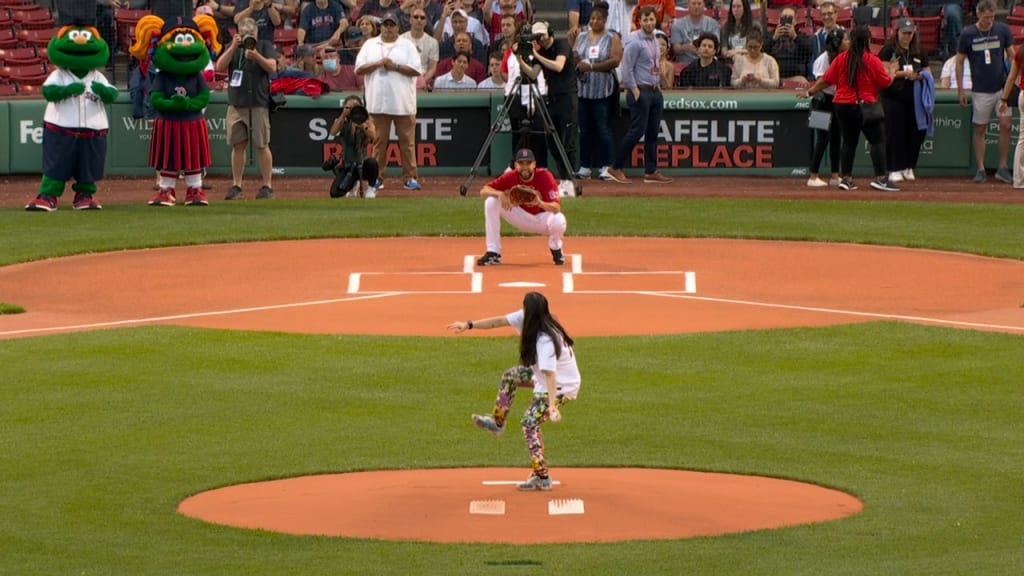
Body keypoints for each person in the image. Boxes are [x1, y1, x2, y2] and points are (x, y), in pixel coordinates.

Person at [448, 290, 581, 492]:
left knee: (529, 424)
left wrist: (553, 406)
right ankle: (497, 423)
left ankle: (541, 476)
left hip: (561, 386)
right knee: (511, 375)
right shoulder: (529, 318)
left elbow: (551, 375)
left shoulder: (546, 340)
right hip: (544, 378)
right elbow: (498, 321)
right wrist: (469, 325)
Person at [25, 23, 118, 212]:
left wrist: (103, 91)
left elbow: (112, 95)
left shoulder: (97, 76)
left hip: (93, 128)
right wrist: (66, 90)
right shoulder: (60, 74)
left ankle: (84, 195)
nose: (82, 41)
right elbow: (48, 91)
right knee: (56, 165)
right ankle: (48, 195)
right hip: (61, 127)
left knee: (88, 167)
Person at [131, 14, 221, 207]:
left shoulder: (197, 76)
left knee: (193, 158)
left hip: (192, 123)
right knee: (168, 158)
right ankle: (166, 190)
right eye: (179, 40)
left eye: (190, 39)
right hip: (168, 123)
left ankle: (195, 189)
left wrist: (187, 105)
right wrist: (173, 104)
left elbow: (204, 97)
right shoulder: (162, 76)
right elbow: (155, 98)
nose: (186, 45)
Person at [801, 25, 898, 192]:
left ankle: (846, 178)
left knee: (848, 142)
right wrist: (893, 72)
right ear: (868, 41)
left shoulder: (841, 58)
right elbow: (885, 82)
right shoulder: (871, 59)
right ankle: (881, 178)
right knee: (877, 141)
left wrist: (810, 91)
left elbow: (826, 80)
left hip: (842, 106)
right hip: (865, 105)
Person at [355, 11, 424, 191]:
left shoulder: (407, 45)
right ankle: (376, 177)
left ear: (397, 27)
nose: (388, 28)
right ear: (381, 27)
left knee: (407, 144)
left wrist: (396, 67)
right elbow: (359, 68)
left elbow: (417, 70)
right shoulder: (370, 44)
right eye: (385, 24)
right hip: (377, 103)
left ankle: (410, 177)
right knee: (378, 143)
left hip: (403, 104)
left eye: (391, 24)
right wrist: (378, 64)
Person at [606, 7, 671, 184]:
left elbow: (653, 63)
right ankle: (616, 166)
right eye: (645, 20)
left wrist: (657, 84)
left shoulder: (656, 39)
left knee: (652, 132)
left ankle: (651, 170)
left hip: (654, 90)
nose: (649, 23)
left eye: (651, 19)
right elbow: (627, 68)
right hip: (640, 91)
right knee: (637, 131)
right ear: (639, 21)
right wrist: (635, 91)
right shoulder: (634, 41)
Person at [216, 16, 278, 200]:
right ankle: (237, 185)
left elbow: (272, 67)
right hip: (236, 103)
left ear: (256, 33)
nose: (248, 37)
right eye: (244, 34)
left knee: (261, 145)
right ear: (238, 33)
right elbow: (219, 66)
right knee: (238, 145)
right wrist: (234, 47)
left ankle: (267, 185)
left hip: (258, 102)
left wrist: (257, 56)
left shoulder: (264, 45)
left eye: (251, 33)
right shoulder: (233, 47)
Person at [475, 148, 567, 266]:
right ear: (515, 165)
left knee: (559, 220)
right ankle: (493, 252)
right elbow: (484, 190)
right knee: (491, 202)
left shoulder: (545, 176)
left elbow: (556, 208)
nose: (525, 167)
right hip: (520, 216)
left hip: (543, 220)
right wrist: (500, 194)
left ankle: (556, 248)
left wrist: (539, 203)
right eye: (521, 163)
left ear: (534, 164)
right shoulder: (511, 176)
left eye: (528, 163)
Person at [955, 0, 1013, 184]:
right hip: (980, 89)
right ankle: (980, 168)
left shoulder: (1002, 30)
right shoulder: (968, 34)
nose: (990, 20)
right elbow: (959, 61)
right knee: (980, 128)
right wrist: (960, 89)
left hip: (1002, 87)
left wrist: (1013, 78)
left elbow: (1012, 55)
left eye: (992, 17)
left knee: (1006, 125)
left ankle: (1002, 167)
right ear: (979, 15)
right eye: (987, 17)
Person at [523, 21, 579, 196]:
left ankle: (570, 181)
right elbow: (533, 74)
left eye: (543, 35)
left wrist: (535, 55)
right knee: (552, 141)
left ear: (550, 33)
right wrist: (520, 58)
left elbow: (558, 65)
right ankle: (563, 179)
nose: (541, 39)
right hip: (552, 98)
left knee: (568, 141)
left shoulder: (561, 44)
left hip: (567, 97)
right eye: (537, 37)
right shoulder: (541, 52)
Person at [573, 0, 621, 181]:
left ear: (605, 20)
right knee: (585, 130)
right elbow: (576, 55)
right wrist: (577, 59)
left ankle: (606, 166)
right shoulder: (582, 36)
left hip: (602, 89)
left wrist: (592, 67)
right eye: (592, 18)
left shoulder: (612, 37)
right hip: (583, 89)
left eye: (598, 19)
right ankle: (585, 166)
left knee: (603, 129)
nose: (594, 22)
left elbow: (615, 60)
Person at [879, 18, 930, 184]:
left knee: (915, 132)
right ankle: (893, 168)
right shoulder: (888, 50)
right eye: (904, 33)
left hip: (914, 98)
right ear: (897, 33)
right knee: (895, 133)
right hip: (893, 97)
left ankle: (909, 166)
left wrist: (920, 75)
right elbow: (885, 72)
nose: (907, 36)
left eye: (910, 33)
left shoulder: (918, 51)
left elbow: (927, 71)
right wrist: (904, 74)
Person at [806, 27, 845, 188]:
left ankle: (835, 175)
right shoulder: (823, 59)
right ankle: (813, 176)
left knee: (836, 138)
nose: (847, 42)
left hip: (835, 101)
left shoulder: (842, 57)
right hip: (820, 101)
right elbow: (822, 82)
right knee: (822, 139)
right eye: (844, 40)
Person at [326, 95, 380, 197]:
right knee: (335, 193)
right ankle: (353, 185)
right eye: (349, 107)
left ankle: (371, 187)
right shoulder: (343, 121)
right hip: (348, 165)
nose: (352, 109)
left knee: (372, 163)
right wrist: (343, 115)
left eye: (355, 106)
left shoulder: (366, 120)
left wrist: (362, 125)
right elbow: (333, 132)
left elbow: (374, 137)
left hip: (362, 164)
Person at [999, 41, 1024, 189]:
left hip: (1022, 95)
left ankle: (1019, 179)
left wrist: (1003, 99)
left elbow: (1011, 77)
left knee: (1022, 139)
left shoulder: (1020, 51)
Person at [765, 6, 811, 85]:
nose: (786, 20)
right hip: (773, 77)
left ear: (795, 21)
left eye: (790, 18)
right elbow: (761, 51)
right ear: (779, 20)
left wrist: (795, 37)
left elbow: (809, 51)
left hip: (795, 76)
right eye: (784, 17)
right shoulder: (770, 35)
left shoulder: (801, 36)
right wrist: (774, 39)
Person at [671, 0, 720, 67]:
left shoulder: (713, 24)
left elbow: (717, 47)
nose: (696, 6)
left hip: (708, 64)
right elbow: (675, 49)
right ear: (688, 5)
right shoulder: (677, 24)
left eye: (699, 4)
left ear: (704, 6)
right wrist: (686, 47)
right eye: (693, 3)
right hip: (685, 63)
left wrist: (704, 49)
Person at [400, 6, 440, 87]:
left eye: (422, 18)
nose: (419, 20)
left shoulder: (433, 42)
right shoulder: (401, 40)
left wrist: (421, 82)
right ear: (410, 20)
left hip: (423, 80)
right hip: (404, 79)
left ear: (425, 22)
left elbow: (432, 68)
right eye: (416, 17)